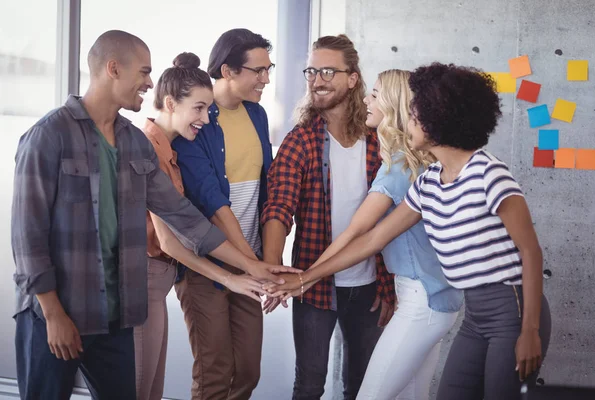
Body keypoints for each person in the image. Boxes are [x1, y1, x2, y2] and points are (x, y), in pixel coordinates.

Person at [11, 30, 286, 400]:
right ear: (113, 69)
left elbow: (184, 216)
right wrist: (53, 313)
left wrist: (251, 267)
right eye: (143, 72)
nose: (149, 83)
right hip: (58, 313)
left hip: (118, 316)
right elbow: (27, 236)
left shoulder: (132, 141)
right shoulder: (48, 136)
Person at [269, 62, 552, 400]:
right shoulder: (428, 182)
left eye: (416, 116)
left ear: (438, 121)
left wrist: (531, 329)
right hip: (472, 315)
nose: (410, 121)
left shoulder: (488, 173)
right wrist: (305, 278)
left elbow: (530, 251)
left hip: (513, 307)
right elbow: (373, 238)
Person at [267, 69, 463, 400]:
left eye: (374, 94)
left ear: (394, 105)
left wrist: (306, 278)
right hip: (438, 298)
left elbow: (363, 234)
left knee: (370, 394)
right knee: (413, 396)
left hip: (421, 300)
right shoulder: (419, 162)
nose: (366, 100)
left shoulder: (399, 167)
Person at [260, 34, 395, 400]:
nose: (317, 79)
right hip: (312, 284)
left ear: (352, 78)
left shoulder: (378, 141)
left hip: (370, 285)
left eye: (327, 71)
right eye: (312, 71)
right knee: (309, 385)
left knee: (363, 386)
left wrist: (388, 284)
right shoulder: (300, 139)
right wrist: (273, 268)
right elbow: (279, 206)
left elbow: (393, 221)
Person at [135, 52, 277, 400]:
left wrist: (252, 266)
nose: (206, 118)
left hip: (171, 271)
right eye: (199, 108)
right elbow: (178, 236)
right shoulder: (149, 147)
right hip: (154, 274)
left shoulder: (170, 145)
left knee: (154, 386)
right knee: (151, 385)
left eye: (207, 109)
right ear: (171, 102)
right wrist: (241, 270)